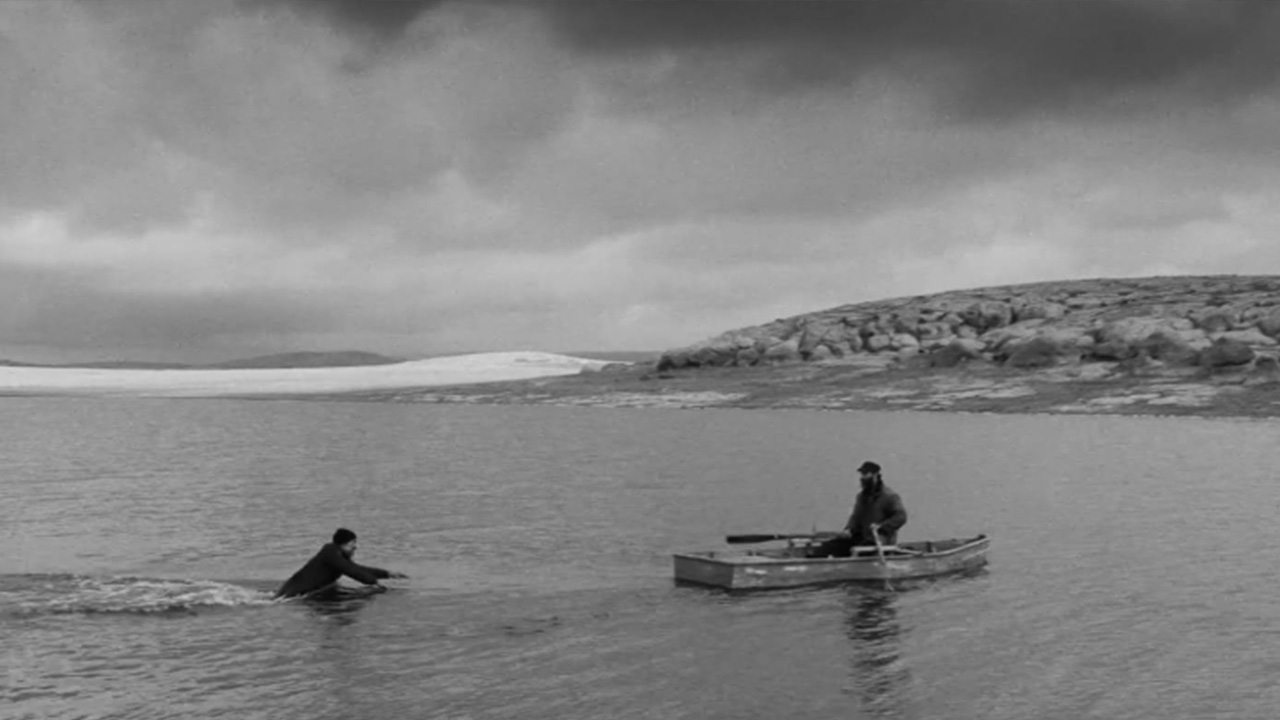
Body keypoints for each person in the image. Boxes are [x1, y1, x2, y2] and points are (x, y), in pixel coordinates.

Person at [807, 461, 908, 558]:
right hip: (861, 537)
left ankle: (854, 569)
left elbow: (901, 516)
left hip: (879, 540)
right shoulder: (861, 497)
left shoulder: (889, 497)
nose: (863, 478)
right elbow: (856, 517)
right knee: (830, 546)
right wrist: (849, 529)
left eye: (866, 474)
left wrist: (881, 527)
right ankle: (812, 560)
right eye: (862, 475)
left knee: (860, 550)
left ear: (875, 475)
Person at [274, 528, 408, 599]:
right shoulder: (331, 554)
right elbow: (351, 571)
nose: (355, 547)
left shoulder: (335, 554)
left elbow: (356, 568)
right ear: (342, 545)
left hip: (298, 591)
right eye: (352, 544)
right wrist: (374, 583)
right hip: (293, 594)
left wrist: (387, 574)